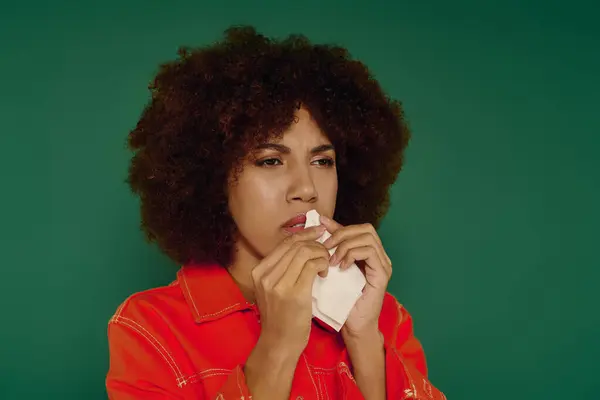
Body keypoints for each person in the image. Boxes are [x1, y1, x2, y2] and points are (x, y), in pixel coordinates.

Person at [106, 25, 446, 400]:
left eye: (322, 160)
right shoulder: (150, 328)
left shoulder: (382, 316)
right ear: (214, 177)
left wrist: (364, 339)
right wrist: (278, 346)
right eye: (270, 161)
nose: (306, 189)